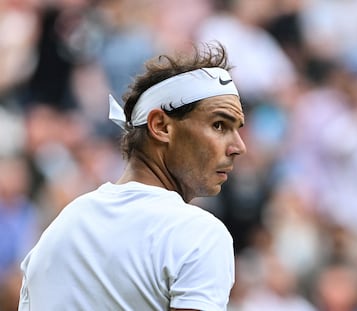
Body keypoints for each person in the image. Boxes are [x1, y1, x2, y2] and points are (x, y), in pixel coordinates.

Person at [18, 43, 247, 311]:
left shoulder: (59, 228)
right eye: (219, 125)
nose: (239, 147)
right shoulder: (201, 235)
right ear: (161, 126)